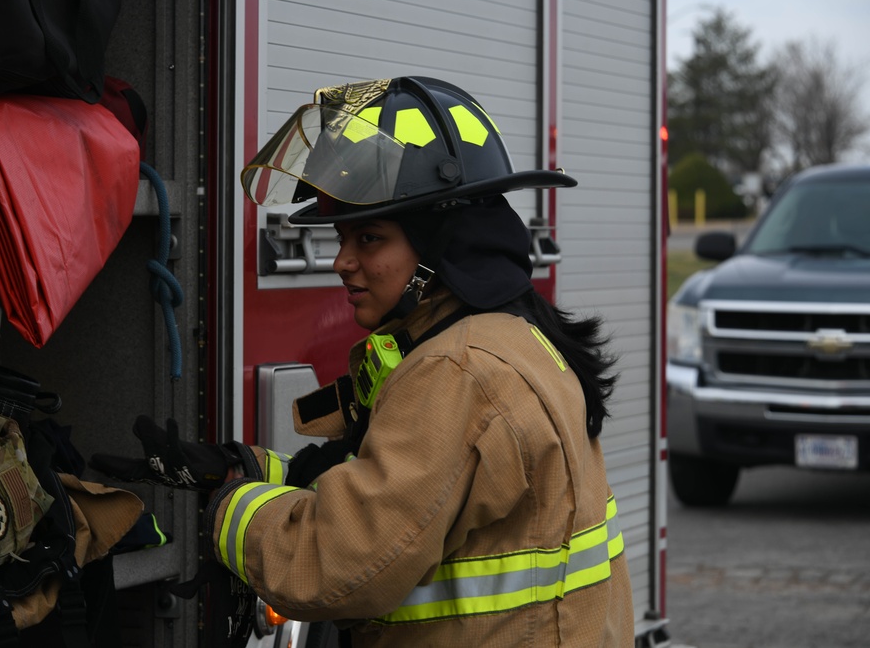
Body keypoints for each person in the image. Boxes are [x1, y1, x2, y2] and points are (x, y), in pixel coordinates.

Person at [92, 76, 634, 646]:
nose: (343, 261)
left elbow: (334, 564)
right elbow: (404, 489)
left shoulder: (457, 371)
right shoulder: (511, 337)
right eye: (342, 237)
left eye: (370, 239)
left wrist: (230, 510)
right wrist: (248, 467)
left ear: (438, 247)